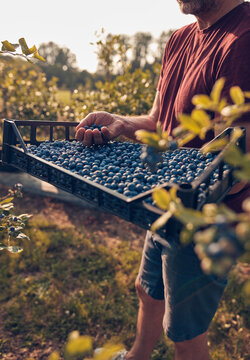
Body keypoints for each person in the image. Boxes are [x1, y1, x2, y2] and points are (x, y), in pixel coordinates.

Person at [76, 1, 250, 359]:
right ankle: (138, 355)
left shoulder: (243, 39)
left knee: (184, 333)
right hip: (165, 201)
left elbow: (237, 157)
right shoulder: (180, 39)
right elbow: (160, 121)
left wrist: (196, 197)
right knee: (147, 290)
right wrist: (122, 124)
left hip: (204, 215)